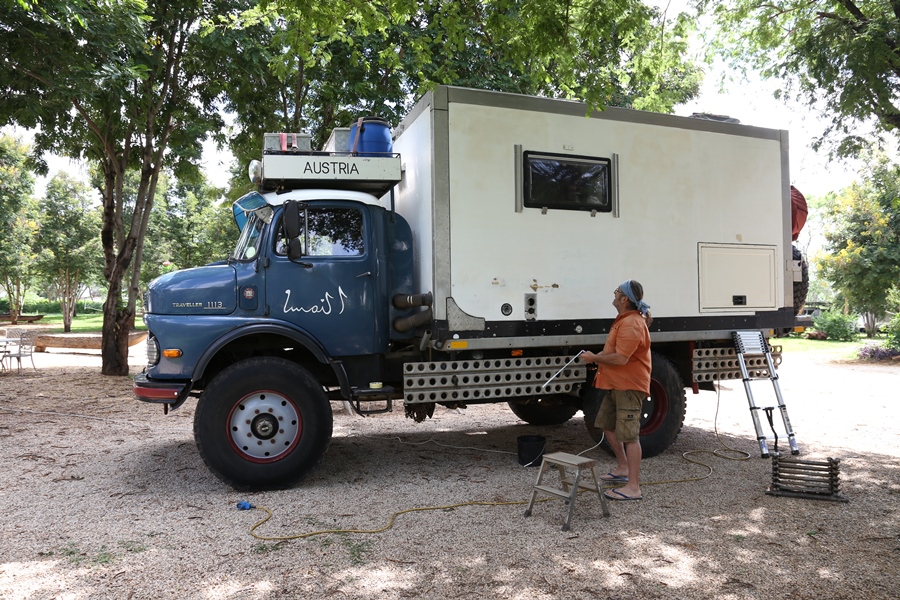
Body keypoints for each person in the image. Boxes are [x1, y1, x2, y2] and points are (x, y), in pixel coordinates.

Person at [580, 280, 652, 501]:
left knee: (630, 436)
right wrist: (598, 357)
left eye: (617, 291)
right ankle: (623, 467)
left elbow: (621, 358)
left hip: (629, 386)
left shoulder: (632, 323)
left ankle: (633, 488)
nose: (614, 294)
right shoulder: (624, 320)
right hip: (616, 384)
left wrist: (594, 358)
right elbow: (616, 352)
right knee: (606, 424)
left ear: (624, 299)